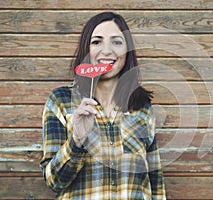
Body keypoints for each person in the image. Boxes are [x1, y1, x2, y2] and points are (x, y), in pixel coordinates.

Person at [40, 12, 166, 199]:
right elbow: (54, 182)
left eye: (116, 42)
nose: (107, 51)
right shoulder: (61, 101)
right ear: (86, 49)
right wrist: (77, 141)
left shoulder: (142, 107)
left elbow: (155, 183)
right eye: (97, 42)